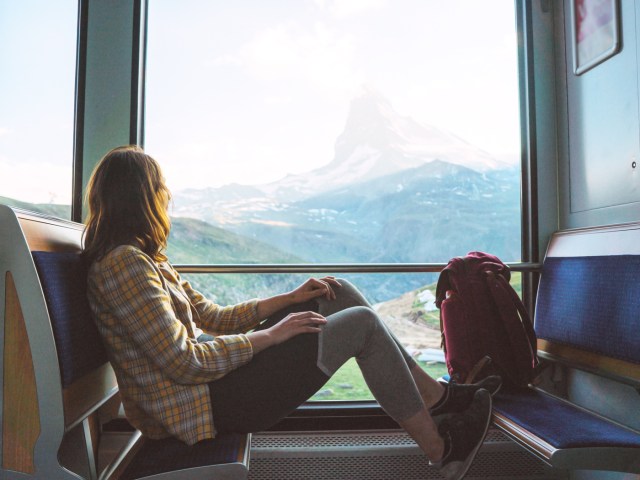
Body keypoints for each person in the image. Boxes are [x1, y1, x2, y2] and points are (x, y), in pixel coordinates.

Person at [83, 145, 500, 480]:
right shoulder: (124, 265)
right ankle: (443, 450)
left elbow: (210, 316)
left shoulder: (147, 259)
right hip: (198, 406)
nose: (166, 196)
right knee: (363, 326)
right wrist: (272, 335)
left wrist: (288, 299)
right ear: (140, 197)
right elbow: (184, 361)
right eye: (160, 187)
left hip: (212, 390)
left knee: (336, 291)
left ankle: (438, 398)